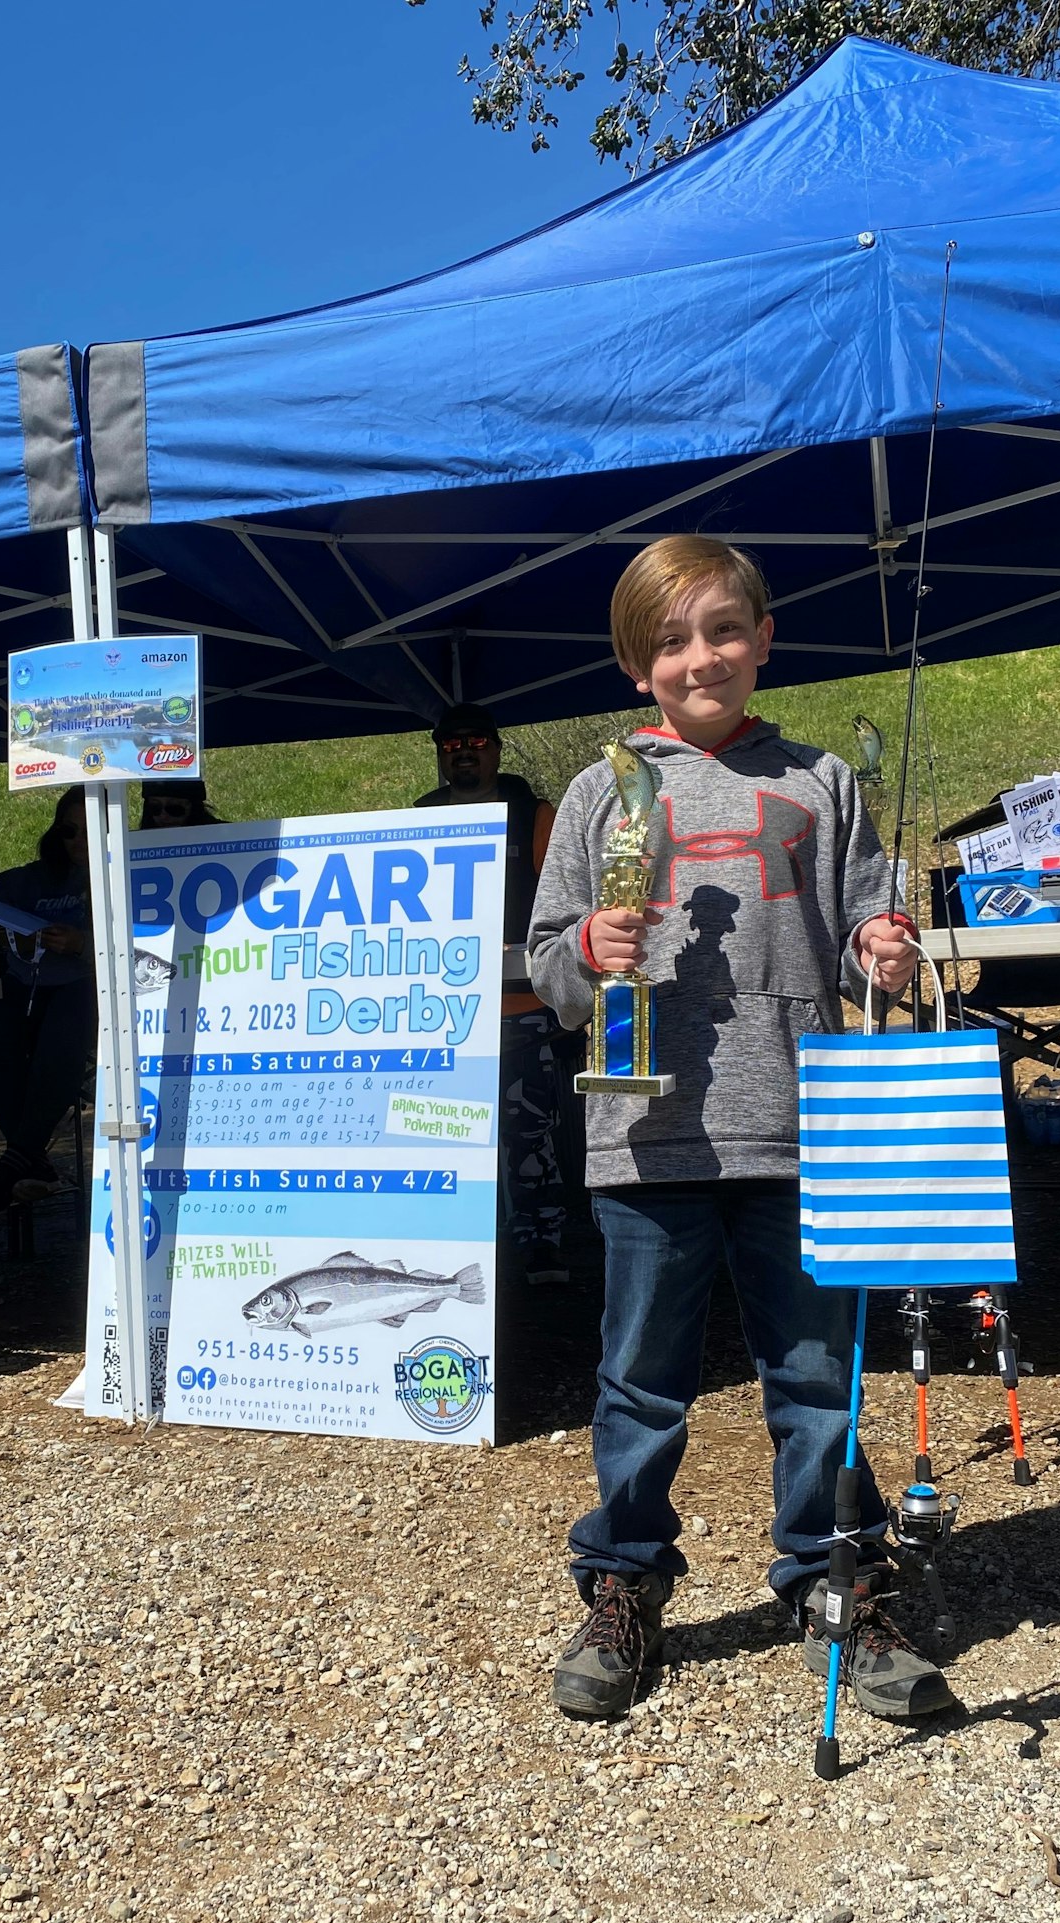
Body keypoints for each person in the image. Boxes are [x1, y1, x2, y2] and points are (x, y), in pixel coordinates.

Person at [526, 534, 946, 1726]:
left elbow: (875, 916)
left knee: (817, 1378)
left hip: (807, 1128)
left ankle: (837, 1581)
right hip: (643, 1132)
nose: (700, 655)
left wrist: (885, 943)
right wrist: (582, 955)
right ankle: (622, 1583)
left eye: (722, 630)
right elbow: (546, 961)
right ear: (636, 664)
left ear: (763, 641)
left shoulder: (821, 777)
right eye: (672, 639)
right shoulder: (604, 790)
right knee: (640, 1381)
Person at [416, 702, 569, 1287]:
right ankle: (462, 1245)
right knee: (444, 1130)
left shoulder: (534, 815)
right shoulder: (418, 816)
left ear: (497, 748)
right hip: (441, 1013)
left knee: (528, 1130)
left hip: (521, 1008)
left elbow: (562, 906)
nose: (464, 751)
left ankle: (542, 1244)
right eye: (451, 743)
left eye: (476, 741)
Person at [0, 788, 96, 1218]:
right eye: (69, 831)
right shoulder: (24, 880)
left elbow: (148, 939)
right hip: (25, 985)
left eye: (90, 833)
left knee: (65, 1033)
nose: (78, 842)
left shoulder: (130, 874)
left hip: (88, 985)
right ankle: (32, 1160)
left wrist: (83, 945)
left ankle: (14, 1162)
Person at [139, 778, 222, 830]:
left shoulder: (225, 836)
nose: (163, 816)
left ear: (194, 808)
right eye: (155, 808)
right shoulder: (134, 844)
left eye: (174, 809)